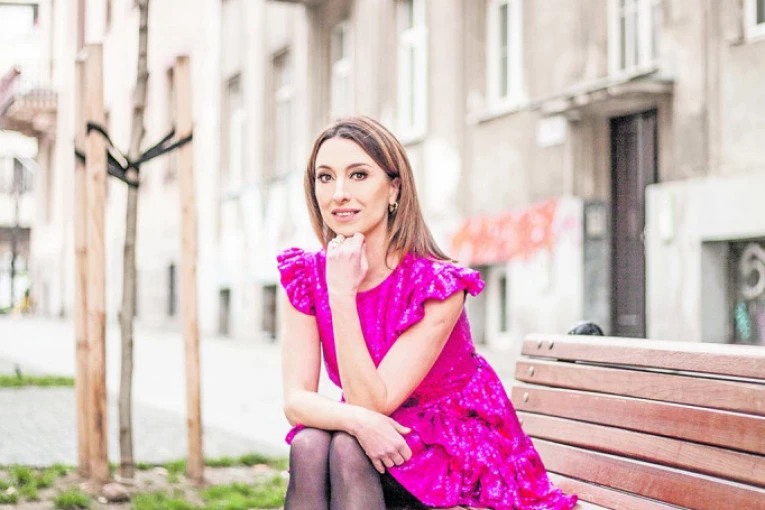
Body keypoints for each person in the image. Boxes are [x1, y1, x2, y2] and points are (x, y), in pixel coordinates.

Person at [277, 116, 577, 510]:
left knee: (346, 448)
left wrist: (341, 293)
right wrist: (358, 421)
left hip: (454, 447)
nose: (339, 194)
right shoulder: (306, 275)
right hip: (375, 430)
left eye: (359, 175)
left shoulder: (437, 286)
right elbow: (297, 401)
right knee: (309, 443)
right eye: (325, 177)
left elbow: (374, 401)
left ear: (394, 188)